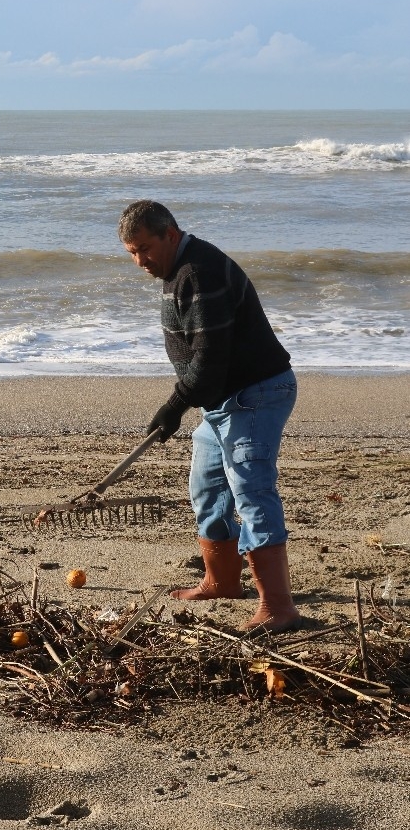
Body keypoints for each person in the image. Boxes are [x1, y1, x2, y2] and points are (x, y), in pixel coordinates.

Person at [118, 199, 300, 634]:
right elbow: (204, 363)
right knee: (206, 487)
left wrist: (174, 406)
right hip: (221, 400)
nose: (140, 261)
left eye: (145, 248)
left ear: (171, 235)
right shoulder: (175, 270)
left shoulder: (198, 273)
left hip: (256, 393)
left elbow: (210, 356)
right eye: (131, 253)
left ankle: (278, 606)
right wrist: (187, 402)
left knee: (250, 489)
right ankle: (222, 581)